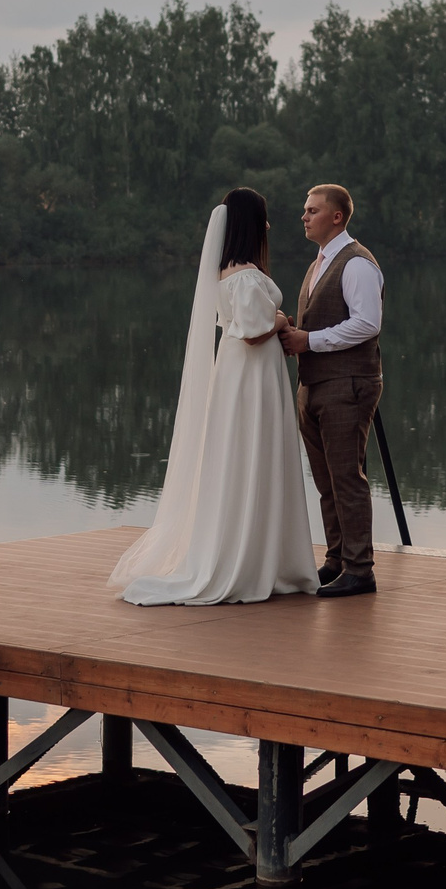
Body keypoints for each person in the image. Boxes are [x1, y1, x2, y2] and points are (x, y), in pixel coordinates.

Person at [107, 189, 320, 605]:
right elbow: (257, 331)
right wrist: (280, 318)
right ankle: (248, 559)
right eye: (264, 218)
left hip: (248, 373)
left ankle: (267, 557)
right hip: (250, 376)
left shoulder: (235, 271)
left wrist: (271, 319)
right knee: (249, 453)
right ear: (249, 223)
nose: (270, 226)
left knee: (250, 455)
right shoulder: (240, 275)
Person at [278, 183, 383, 598]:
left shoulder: (356, 263)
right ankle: (338, 559)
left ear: (336, 216)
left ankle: (361, 569)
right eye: (304, 210)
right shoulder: (320, 261)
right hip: (316, 384)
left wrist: (309, 341)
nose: (304, 216)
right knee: (326, 480)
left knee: (347, 478)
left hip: (348, 384)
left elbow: (367, 323)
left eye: (312, 210)